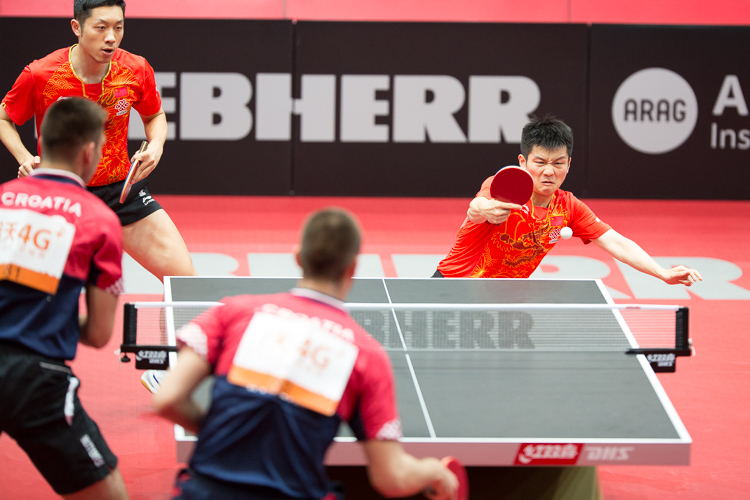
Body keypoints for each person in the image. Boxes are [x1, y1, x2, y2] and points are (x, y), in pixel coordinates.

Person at [153, 208, 459, 500]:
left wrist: (228, 433)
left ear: (298, 258)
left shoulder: (233, 312)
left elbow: (167, 399)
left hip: (206, 490)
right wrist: (436, 472)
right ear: (352, 268)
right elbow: (393, 479)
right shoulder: (366, 354)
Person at [0, 0, 198, 393]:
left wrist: (156, 145)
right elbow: (5, 117)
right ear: (76, 27)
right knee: (31, 293)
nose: (111, 38)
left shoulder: (135, 68)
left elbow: (155, 115)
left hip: (119, 191)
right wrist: (25, 158)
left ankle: (165, 371)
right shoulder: (42, 73)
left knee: (186, 284)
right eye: (100, 27)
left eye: (119, 27)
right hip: (61, 199)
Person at [0, 97, 128, 499]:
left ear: (41, 140)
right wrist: (47, 315)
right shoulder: (99, 221)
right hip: (34, 380)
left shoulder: (2, 197)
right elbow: (97, 333)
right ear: (89, 151)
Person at [434, 116, 702, 286]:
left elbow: (615, 241)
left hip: (504, 299)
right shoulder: (502, 188)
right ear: (523, 162)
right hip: (451, 287)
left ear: (569, 164)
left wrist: (662, 273)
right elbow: (476, 208)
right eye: (539, 162)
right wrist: (487, 210)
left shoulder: (568, 206)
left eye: (558, 163)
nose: (549, 172)